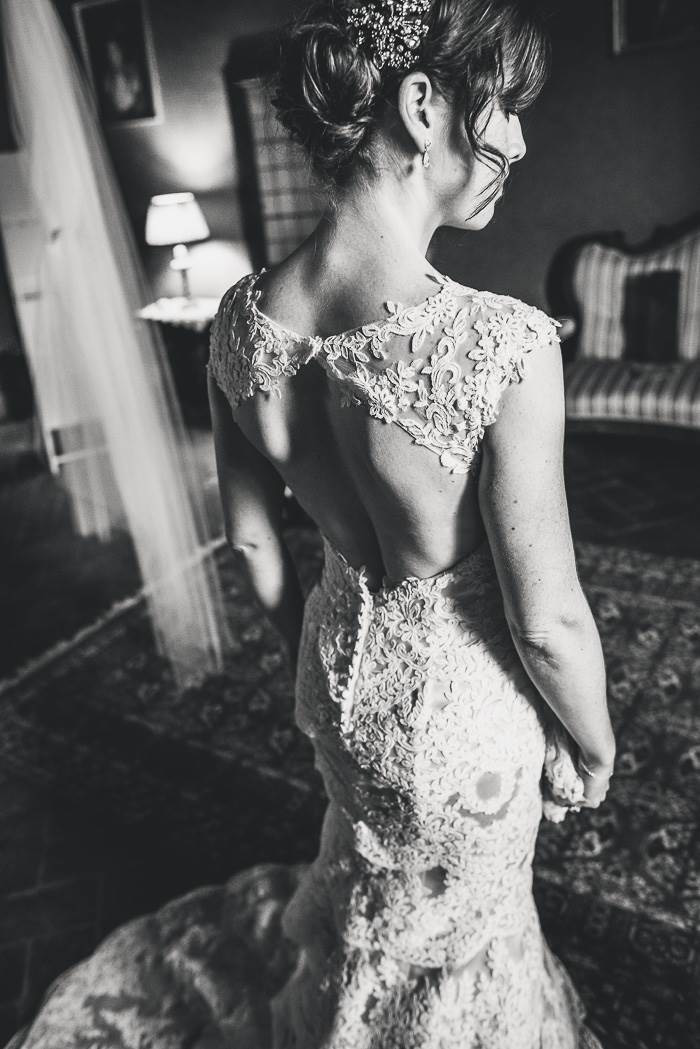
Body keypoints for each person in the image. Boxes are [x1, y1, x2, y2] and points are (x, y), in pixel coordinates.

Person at [6, 2, 614, 1047]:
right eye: (505, 106)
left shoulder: (239, 320)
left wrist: (323, 665)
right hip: (464, 725)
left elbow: (248, 543)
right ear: (423, 106)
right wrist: (594, 748)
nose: (517, 138)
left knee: (369, 916)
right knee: (470, 943)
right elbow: (547, 618)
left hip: (334, 685)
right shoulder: (503, 345)